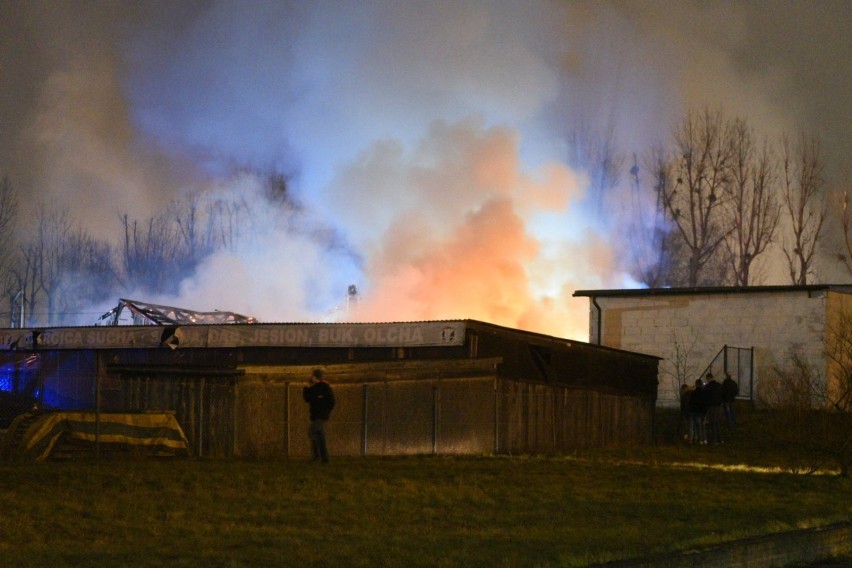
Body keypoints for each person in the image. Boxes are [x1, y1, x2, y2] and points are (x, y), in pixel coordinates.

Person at [303, 368, 335, 463]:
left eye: (312, 376)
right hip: (316, 416)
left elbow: (331, 402)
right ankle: (324, 459)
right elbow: (307, 398)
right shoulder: (314, 387)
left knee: (312, 432)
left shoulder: (324, 387)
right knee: (320, 436)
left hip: (321, 416)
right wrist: (306, 388)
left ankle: (317, 456)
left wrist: (325, 411)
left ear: (315, 377)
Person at [704, 372, 723, 445]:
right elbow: (722, 394)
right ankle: (720, 439)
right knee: (717, 422)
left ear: (708, 378)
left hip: (711, 406)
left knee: (713, 423)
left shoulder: (708, 387)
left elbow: (705, 397)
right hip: (718, 406)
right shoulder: (719, 385)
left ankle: (714, 440)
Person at [689, 378, 708, 444]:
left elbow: (691, 403)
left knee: (699, 426)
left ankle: (700, 440)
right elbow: (706, 402)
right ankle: (705, 439)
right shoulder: (704, 393)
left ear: (696, 384)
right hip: (703, 411)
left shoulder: (693, 393)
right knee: (703, 426)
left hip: (696, 411)